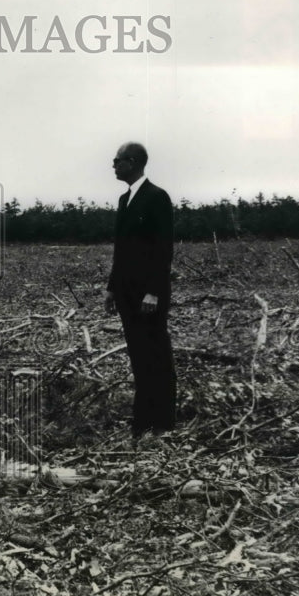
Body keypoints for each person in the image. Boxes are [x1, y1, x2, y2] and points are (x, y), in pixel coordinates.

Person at [104, 142, 177, 440]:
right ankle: (142, 422)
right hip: (126, 295)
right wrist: (111, 289)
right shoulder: (125, 200)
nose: (113, 165)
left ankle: (163, 424)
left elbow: (163, 250)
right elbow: (121, 251)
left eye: (117, 160)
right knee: (139, 356)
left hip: (148, 297)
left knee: (157, 355)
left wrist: (154, 292)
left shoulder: (157, 198)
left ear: (131, 163)